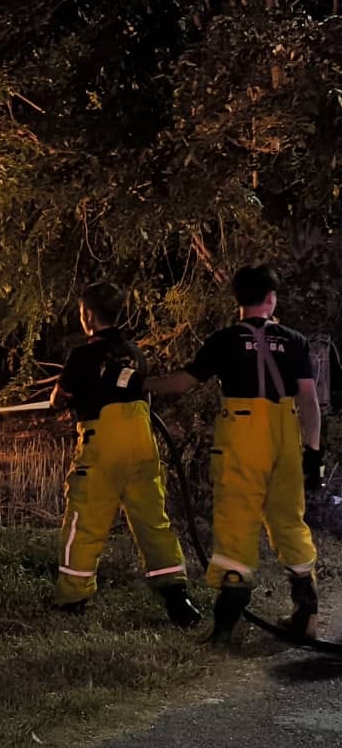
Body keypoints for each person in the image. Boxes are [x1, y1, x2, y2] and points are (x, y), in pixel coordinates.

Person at [146, 265, 322, 643]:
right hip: (286, 436)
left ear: (238, 300)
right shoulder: (295, 341)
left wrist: (140, 384)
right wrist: (313, 453)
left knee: (236, 522)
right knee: (290, 520)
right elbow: (309, 401)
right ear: (272, 299)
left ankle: (225, 627)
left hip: (242, 436)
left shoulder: (223, 340)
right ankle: (306, 612)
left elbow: (182, 383)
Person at [50, 282, 202, 627]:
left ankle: (73, 598)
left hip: (103, 445)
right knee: (153, 522)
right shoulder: (135, 352)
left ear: (87, 315)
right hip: (142, 444)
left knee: (84, 521)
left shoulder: (82, 355)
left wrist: (59, 397)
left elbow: (60, 398)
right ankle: (178, 599)